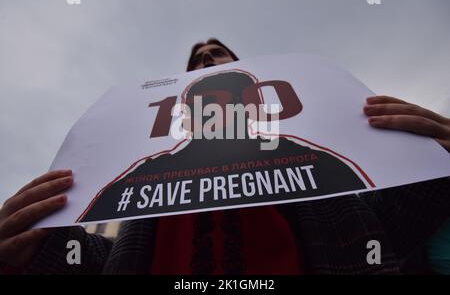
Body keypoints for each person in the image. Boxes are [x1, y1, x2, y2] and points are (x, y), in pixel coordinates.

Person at [0, 38, 449, 274]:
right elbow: (108, 261)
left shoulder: (323, 160)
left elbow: (387, 232)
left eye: (219, 54)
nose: (207, 59)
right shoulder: (142, 177)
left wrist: (437, 165)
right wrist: (37, 249)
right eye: (197, 59)